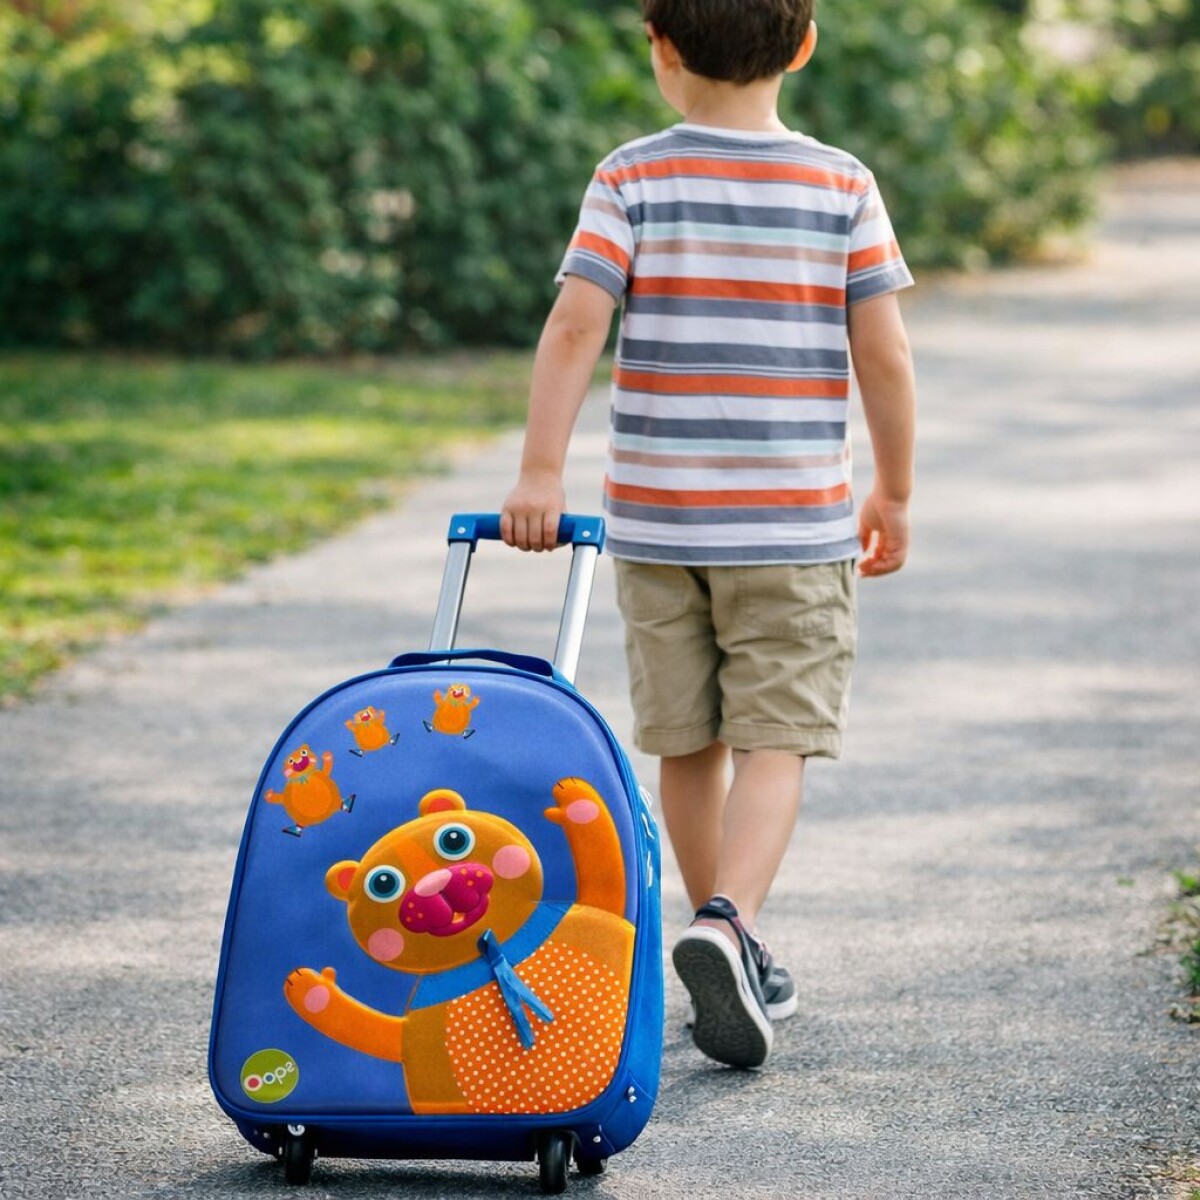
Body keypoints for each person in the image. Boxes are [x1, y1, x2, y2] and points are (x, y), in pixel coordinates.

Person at [500, 0, 916, 1070]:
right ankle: (728, 922)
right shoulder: (842, 184)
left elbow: (576, 323)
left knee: (687, 737)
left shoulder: (631, 175)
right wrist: (896, 491)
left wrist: (540, 469)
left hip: (657, 516)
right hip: (793, 524)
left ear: (664, 49)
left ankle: (715, 924)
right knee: (778, 734)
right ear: (806, 44)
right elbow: (884, 357)